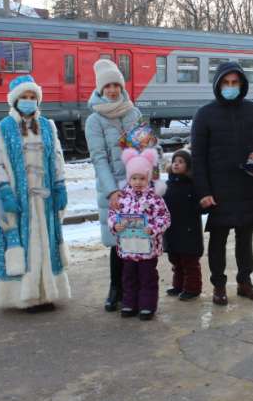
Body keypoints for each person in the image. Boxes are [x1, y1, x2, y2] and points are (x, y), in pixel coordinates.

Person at [0, 75, 72, 312]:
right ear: (14, 101)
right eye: (23, 97)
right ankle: (25, 296)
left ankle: (47, 293)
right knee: (25, 243)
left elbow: (56, 158)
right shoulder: (2, 128)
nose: (28, 101)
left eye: (32, 97)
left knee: (46, 242)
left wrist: (60, 186)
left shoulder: (48, 126)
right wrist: (5, 191)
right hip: (20, 199)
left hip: (44, 199)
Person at [190, 61, 253, 306]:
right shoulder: (205, 114)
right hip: (218, 189)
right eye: (227, 82)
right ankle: (219, 286)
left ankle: (245, 282)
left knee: (246, 239)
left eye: (235, 83)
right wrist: (203, 191)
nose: (231, 86)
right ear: (218, 84)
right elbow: (197, 158)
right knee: (218, 239)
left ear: (242, 85)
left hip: (248, 187)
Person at [84, 59, 143, 312]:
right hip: (115, 189)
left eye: (115, 85)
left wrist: (150, 179)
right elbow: (98, 158)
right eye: (107, 86)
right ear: (100, 89)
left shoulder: (134, 113)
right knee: (118, 240)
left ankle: (137, 289)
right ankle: (115, 288)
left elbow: (146, 148)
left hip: (138, 187)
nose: (112, 90)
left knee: (139, 239)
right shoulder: (94, 121)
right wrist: (112, 191)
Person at [108, 148, 171, 320]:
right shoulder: (121, 197)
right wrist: (116, 226)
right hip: (128, 248)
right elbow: (112, 215)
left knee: (147, 278)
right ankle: (129, 304)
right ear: (129, 178)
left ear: (148, 177)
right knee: (128, 278)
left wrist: (153, 229)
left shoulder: (155, 198)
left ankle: (147, 306)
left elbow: (165, 218)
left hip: (147, 249)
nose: (138, 182)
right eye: (134, 178)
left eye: (142, 178)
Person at [163, 149, 204, 301]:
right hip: (172, 229)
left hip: (188, 229)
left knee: (189, 261)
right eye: (174, 161)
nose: (176, 164)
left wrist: (202, 205)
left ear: (188, 166)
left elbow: (200, 206)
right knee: (175, 260)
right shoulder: (167, 185)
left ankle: (192, 288)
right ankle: (178, 285)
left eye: (181, 162)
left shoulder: (192, 185)